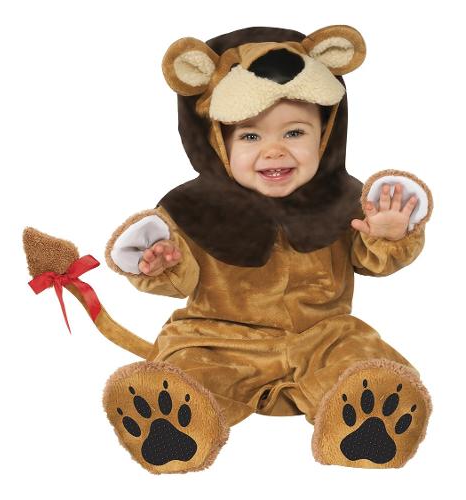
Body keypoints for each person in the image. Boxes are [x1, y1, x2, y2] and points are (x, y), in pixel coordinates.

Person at [102, 25, 433, 474]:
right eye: (250, 137)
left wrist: (387, 235)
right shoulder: (191, 209)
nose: (275, 151)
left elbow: (370, 261)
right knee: (191, 368)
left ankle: (364, 418)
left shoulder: (343, 198)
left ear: (326, 134)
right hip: (219, 338)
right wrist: (162, 264)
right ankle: (176, 420)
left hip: (324, 336)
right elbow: (181, 282)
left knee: (362, 361)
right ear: (217, 142)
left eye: (294, 132)